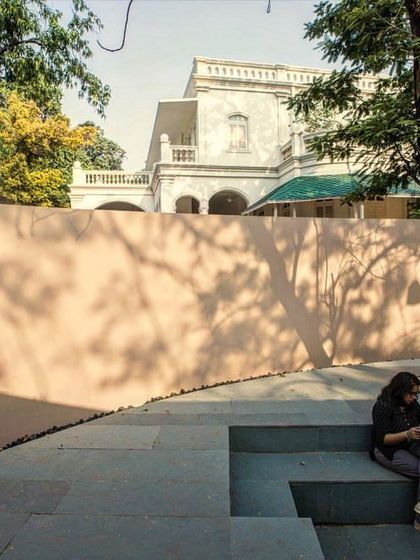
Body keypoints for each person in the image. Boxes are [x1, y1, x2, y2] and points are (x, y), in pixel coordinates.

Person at [372, 371, 420, 530]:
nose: (414, 397)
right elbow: (382, 439)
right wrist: (407, 434)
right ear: (401, 390)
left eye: (417, 394)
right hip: (388, 450)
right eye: (412, 394)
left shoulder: (413, 406)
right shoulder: (383, 406)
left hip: (412, 444)